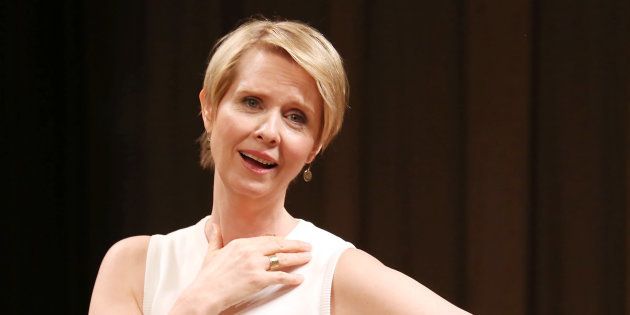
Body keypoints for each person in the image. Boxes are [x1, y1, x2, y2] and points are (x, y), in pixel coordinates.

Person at [89, 18, 470, 314]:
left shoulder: (335, 272)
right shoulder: (133, 266)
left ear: (315, 147)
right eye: (252, 102)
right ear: (209, 108)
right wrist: (200, 302)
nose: (270, 132)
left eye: (296, 117)